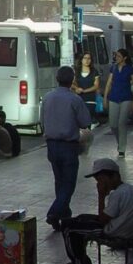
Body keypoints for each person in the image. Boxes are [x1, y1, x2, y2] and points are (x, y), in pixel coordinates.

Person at [59, 158, 133, 264]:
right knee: (81, 218)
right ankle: (81, 260)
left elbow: (103, 220)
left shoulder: (117, 194)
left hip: (115, 232)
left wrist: (101, 195)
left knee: (68, 228)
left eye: (101, 180)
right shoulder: (131, 189)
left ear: (114, 176)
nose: (99, 184)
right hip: (126, 229)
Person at [41, 66, 92, 231]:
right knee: (68, 184)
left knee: (59, 181)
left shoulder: (47, 98)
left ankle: (64, 216)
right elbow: (85, 122)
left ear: (57, 79)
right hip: (68, 145)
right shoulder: (74, 99)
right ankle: (54, 213)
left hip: (51, 145)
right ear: (72, 80)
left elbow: (42, 121)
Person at [103, 49, 133, 158]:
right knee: (113, 124)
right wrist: (105, 98)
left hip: (126, 98)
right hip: (113, 97)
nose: (116, 58)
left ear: (124, 58)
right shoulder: (113, 68)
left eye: (118, 56)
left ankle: (122, 149)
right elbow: (109, 83)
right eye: (116, 56)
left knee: (122, 123)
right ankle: (120, 142)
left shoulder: (130, 69)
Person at [71, 52, 100, 125]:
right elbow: (71, 83)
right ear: (81, 59)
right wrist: (76, 88)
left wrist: (84, 91)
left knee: (87, 119)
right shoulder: (76, 71)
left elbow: (96, 86)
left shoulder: (94, 71)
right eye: (85, 58)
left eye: (89, 58)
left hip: (90, 100)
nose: (87, 60)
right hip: (79, 99)